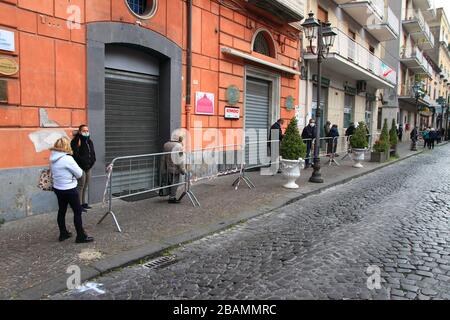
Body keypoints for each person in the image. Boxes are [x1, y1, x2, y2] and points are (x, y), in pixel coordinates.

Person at [50, 137, 94, 243]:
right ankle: (80, 236)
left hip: (58, 188)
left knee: (62, 211)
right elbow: (79, 173)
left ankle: (63, 233)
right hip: (69, 189)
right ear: (66, 146)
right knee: (77, 212)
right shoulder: (67, 159)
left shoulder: (52, 157)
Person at [71, 125, 96, 211]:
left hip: (89, 167)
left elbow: (92, 153)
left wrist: (92, 161)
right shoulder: (76, 141)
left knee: (86, 185)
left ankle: (84, 203)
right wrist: (82, 164)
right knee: (80, 186)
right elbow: (75, 156)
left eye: (87, 130)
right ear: (80, 131)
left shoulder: (89, 141)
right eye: (84, 131)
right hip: (80, 167)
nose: (86, 132)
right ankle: (78, 206)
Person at [162, 131, 186, 203]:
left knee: (170, 182)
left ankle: (170, 195)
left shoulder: (166, 145)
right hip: (175, 168)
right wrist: (183, 170)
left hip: (168, 167)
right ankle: (172, 198)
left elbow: (163, 158)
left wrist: (163, 168)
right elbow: (180, 160)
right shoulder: (179, 146)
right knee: (175, 183)